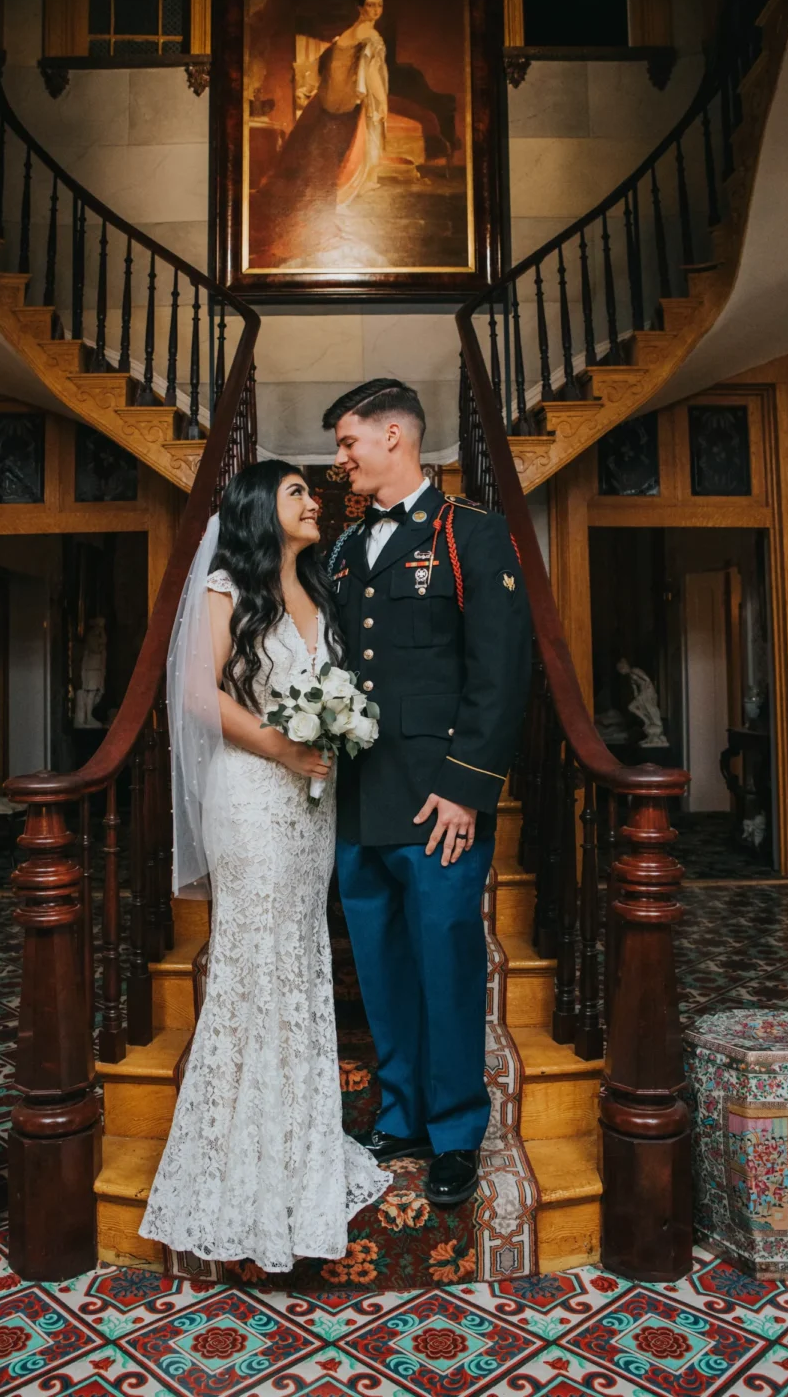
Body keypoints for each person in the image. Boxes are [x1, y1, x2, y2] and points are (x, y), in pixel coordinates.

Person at [140, 460, 389, 1273]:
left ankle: (295, 1149)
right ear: (260, 509)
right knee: (255, 964)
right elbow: (195, 696)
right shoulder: (226, 586)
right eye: (295, 493)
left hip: (313, 807)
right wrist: (282, 745)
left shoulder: (324, 589)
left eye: (310, 493)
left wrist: (333, 733)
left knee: (300, 962)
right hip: (252, 795)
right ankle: (234, 1173)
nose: (312, 501)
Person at [323, 379, 531, 1209]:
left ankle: (454, 1131)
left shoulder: (469, 533)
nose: (341, 460)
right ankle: (404, 1111)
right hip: (358, 796)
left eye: (348, 443)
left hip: (438, 801)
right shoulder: (342, 549)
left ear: (395, 436)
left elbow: (501, 669)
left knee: (446, 963)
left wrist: (466, 788)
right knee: (379, 966)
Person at [250, 0, 389, 267]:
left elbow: (324, 72)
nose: (375, 10)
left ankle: (308, 228)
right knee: (320, 173)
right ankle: (312, 234)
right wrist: (382, 103)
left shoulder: (345, 36)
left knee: (312, 171)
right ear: (360, 8)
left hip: (321, 111)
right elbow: (372, 75)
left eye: (379, 5)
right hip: (338, 113)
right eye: (370, 5)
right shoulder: (370, 36)